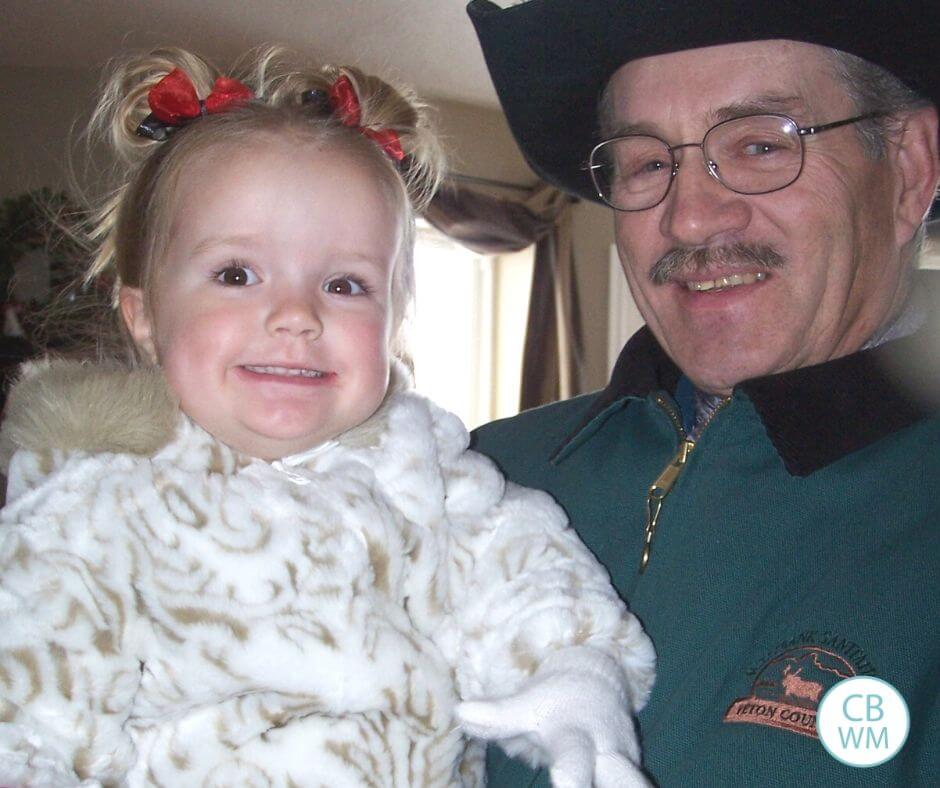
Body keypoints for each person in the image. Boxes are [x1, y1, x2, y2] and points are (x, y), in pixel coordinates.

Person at [0, 47, 656, 787]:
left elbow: (522, 573)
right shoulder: (89, 512)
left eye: (345, 284)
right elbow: (29, 726)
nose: (295, 315)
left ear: (394, 320)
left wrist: (572, 683)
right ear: (144, 315)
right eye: (237, 274)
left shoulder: (424, 472)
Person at [467, 0, 939, 785]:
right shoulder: (483, 478)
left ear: (913, 168)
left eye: (759, 145)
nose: (688, 219)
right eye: (648, 163)